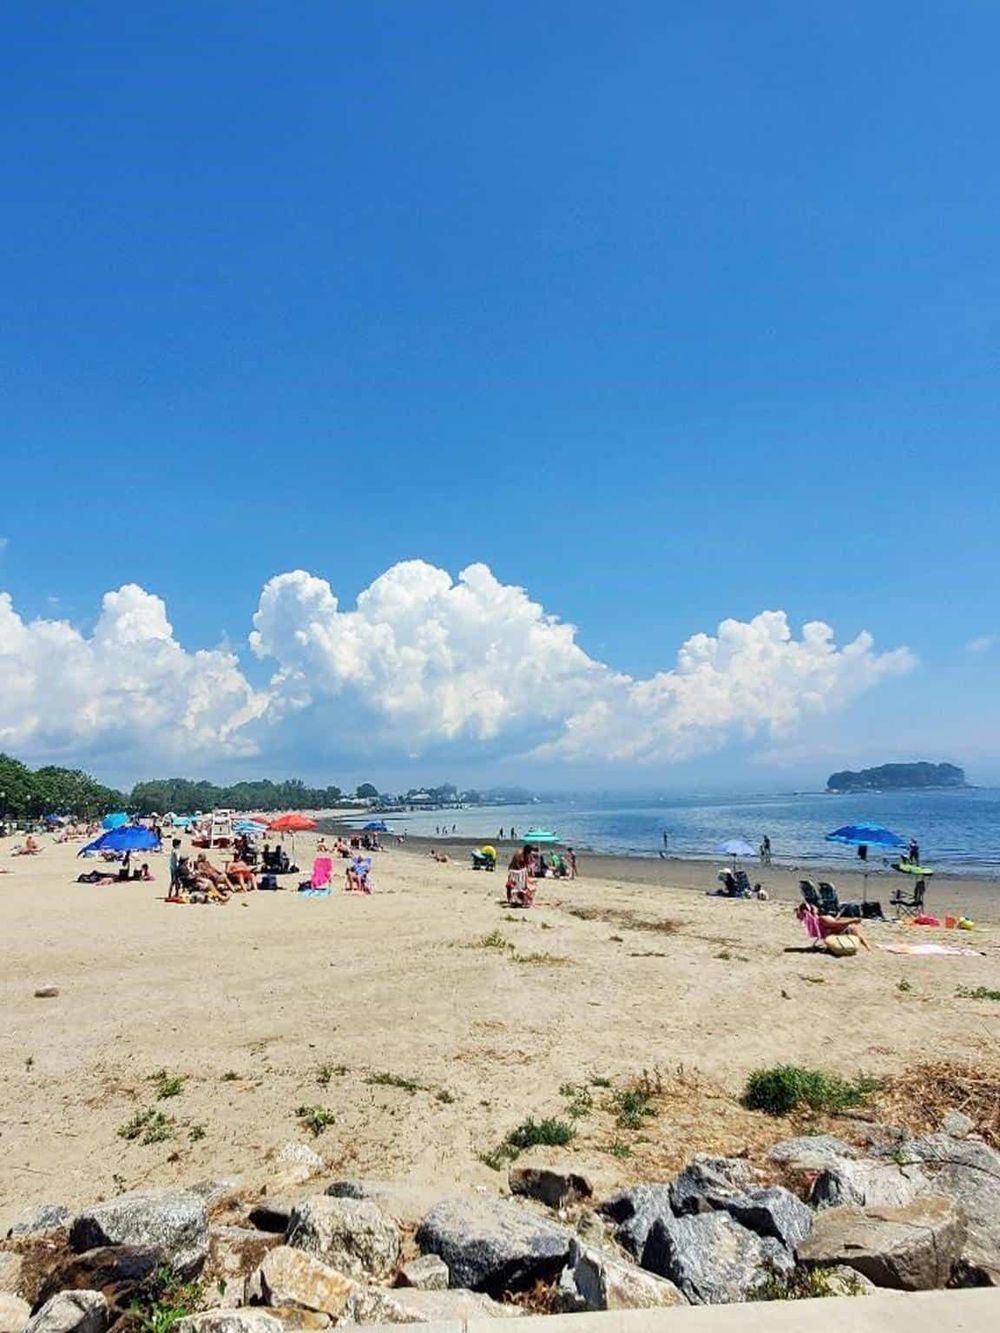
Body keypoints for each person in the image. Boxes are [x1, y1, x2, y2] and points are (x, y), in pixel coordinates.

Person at [796, 902, 871, 951]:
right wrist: (853, 920)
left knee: (843, 920)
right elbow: (837, 924)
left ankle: (867, 946)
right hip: (835, 933)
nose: (816, 907)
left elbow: (834, 923)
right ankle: (867, 947)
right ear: (812, 910)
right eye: (814, 907)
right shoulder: (822, 919)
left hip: (828, 932)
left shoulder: (811, 920)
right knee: (853, 927)